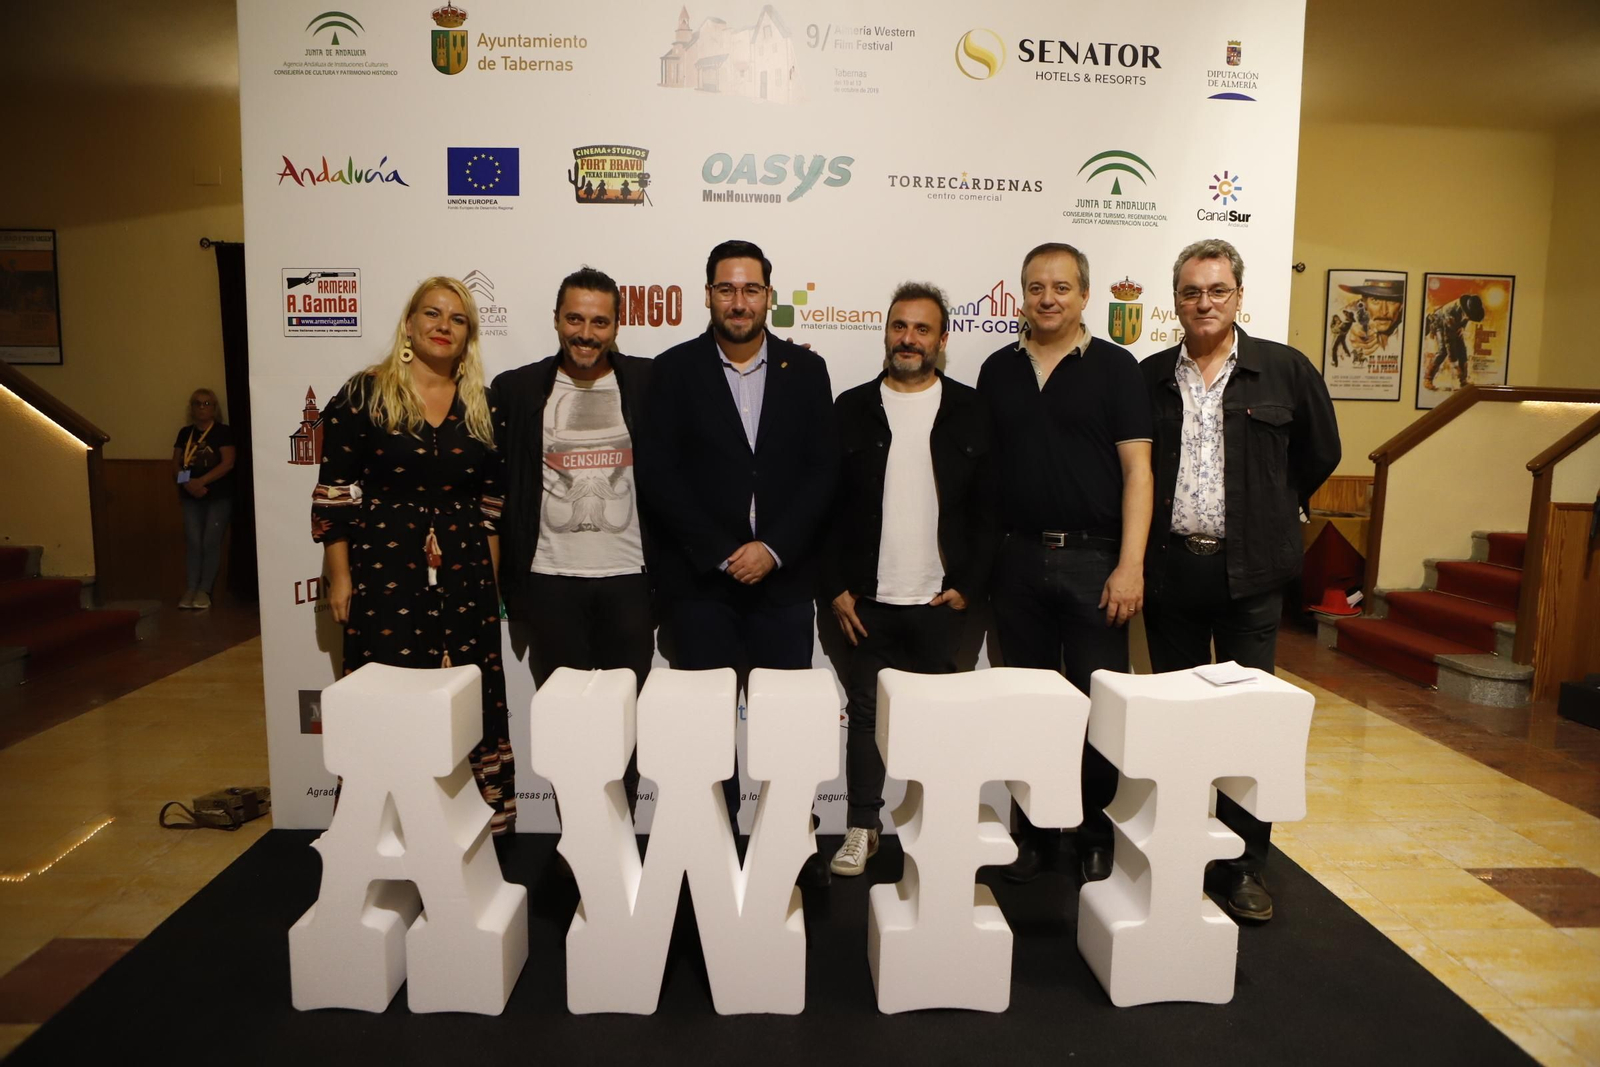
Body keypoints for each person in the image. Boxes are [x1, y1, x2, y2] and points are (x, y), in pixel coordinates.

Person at [1141, 238, 1340, 922]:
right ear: (1176, 300)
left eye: (1217, 290)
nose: (1204, 302)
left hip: (1252, 574)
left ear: (1238, 296)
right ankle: (1178, 849)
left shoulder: (1285, 371)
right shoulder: (1149, 377)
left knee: (1247, 727)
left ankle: (1245, 865)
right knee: (1176, 724)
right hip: (1170, 574)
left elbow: (1321, 452)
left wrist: (1269, 509)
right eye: (1192, 291)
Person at [638, 239, 837, 867]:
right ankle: (711, 853)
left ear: (769, 298)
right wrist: (725, 552)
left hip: (782, 584)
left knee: (787, 734)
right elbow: (659, 476)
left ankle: (790, 856)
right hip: (700, 586)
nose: (739, 301)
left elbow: (822, 473)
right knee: (704, 738)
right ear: (707, 295)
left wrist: (772, 549)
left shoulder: (806, 372)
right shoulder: (671, 371)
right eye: (726, 288)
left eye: (751, 289)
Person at [311, 276, 515, 840]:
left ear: (469, 334)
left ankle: (469, 834)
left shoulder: (483, 403)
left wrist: (489, 588)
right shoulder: (365, 393)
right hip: (385, 571)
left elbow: (492, 505)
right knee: (390, 698)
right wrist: (340, 575)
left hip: (467, 573)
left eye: (457, 319)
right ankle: (379, 835)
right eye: (432, 314)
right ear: (408, 324)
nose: (443, 326)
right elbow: (336, 490)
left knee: (466, 700)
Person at [976, 242, 1153, 885]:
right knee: (1028, 705)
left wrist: (1129, 565)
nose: (1047, 298)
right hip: (1017, 561)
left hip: (1095, 562)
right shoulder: (997, 371)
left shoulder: (1116, 368)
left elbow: (1139, 473)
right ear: (1021, 295)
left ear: (1084, 295)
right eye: (1035, 287)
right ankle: (1035, 830)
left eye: (1061, 287)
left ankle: (1094, 831)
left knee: (1096, 707)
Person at [823, 282, 996, 876]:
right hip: (866, 601)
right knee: (866, 716)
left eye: (923, 329)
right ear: (886, 332)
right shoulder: (849, 408)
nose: (909, 339)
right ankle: (862, 828)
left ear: (942, 340)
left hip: (940, 602)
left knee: (937, 722)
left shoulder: (971, 409)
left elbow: (990, 511)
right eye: (899, 326)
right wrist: (836, 586)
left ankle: (938, 835)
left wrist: (968, 584)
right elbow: (823, 507)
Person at [492, 267, 652, 812]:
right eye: (575, 319)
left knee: (624, 724)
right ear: (557, 320)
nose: (586, 333)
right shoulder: (516, 390)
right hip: (549, 584)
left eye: (599, 321)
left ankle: (618, 834)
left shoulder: (649, 384)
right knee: (565, 726)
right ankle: (578, 840)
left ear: (617, 326)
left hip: (630, 583)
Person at [172, 388, 236, 609]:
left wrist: (202, 482)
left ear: (215, 408)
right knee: (193, 541)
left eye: (207, 404)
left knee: (210, 541)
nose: (202, 408)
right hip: (190, 495)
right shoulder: (185, 433)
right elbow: (177, 464)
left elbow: (228, 462)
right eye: (198, 403)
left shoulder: (222, 432)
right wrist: (189, 484)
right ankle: (191, 588)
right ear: (191, 408)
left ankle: (205, 590)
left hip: (217, 495)